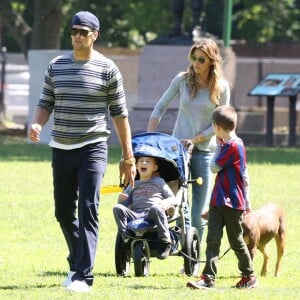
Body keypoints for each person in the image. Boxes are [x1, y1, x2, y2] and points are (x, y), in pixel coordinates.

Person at [28, 11, 136, 293]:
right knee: (63, 211)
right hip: (62, 147)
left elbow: (120, 115)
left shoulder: (108, 69)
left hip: (93, 147)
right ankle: (78, 258)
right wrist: (37, 123)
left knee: (88, 207)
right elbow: (45, 101)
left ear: (94, 36)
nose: (77, 36)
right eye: (74, 31)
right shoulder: (57, 66)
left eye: (83, 32)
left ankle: (83, 275)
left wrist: (128, 157)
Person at [147, 38, 230, 244]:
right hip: (178, 152)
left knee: (198, 212)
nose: (196, 63)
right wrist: (150, 140)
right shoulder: (182, 80)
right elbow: (159, 108)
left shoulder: (222, 87)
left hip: (204, 152)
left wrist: (195, 139)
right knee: (177, 203)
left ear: (212, 61)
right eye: (193, 58)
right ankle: (181, 247)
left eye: (201, 59)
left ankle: (193, 260)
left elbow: (220, 123)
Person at [187, 105, 257, 289]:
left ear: (217, 127)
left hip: (232, 202)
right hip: (219, 200)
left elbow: (213, 167)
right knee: (213, 239)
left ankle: (249, 276)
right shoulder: (234, 144)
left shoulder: (232, 146)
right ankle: (208, 278)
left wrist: (217, 147)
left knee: (236, 241)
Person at [113, 156, 179, 259]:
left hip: (152, 213)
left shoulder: (158, 181)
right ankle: (126, 236)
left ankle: (165, 242)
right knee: (117, 208)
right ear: (136, 166)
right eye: (141, 161)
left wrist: (165, 203)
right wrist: (121, 200)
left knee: (155, 208)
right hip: (136, 214)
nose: (144, 163)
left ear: (155, 168)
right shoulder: (133, 183)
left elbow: (172, 198)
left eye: (147, 161)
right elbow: (124, 205)